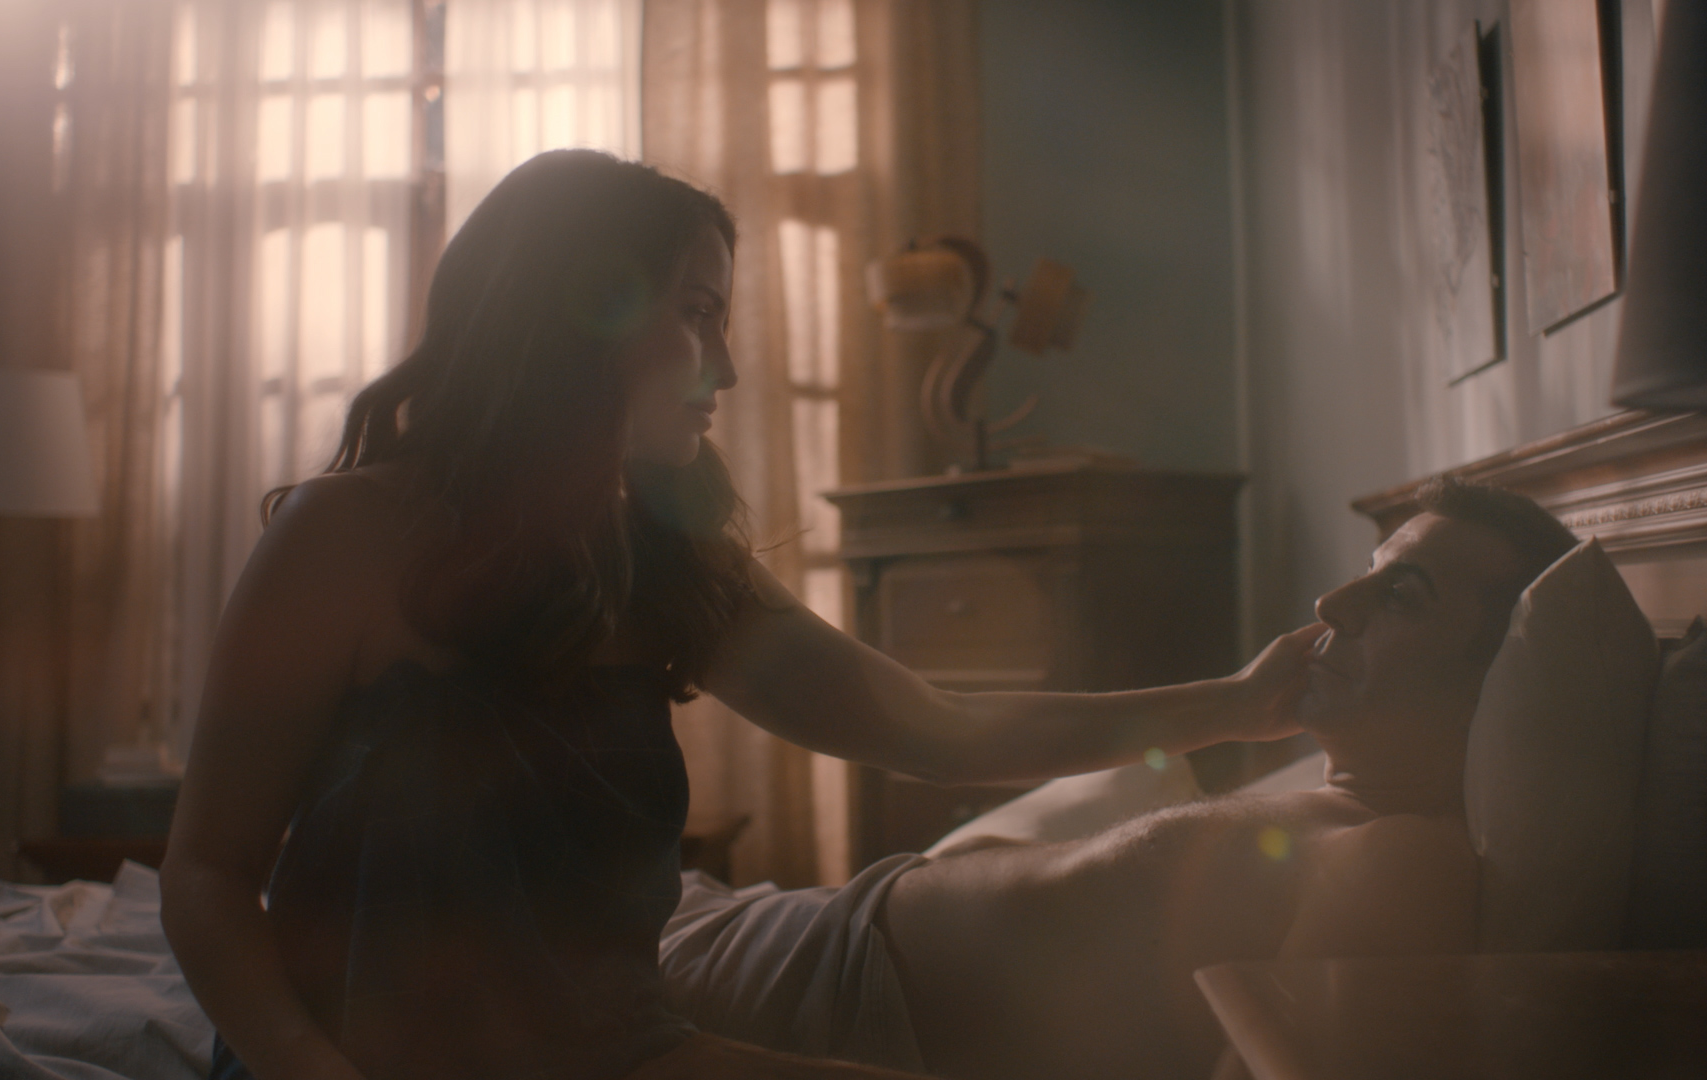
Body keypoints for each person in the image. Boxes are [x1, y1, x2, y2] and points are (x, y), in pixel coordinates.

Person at [158, 149, 1324, 1080]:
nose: (725, 366)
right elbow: (206, 873)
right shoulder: (344, 535)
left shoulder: (666, 566)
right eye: (699, 312)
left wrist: (1239, 704)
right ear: (582, 318)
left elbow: (940, 729)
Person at [657, 479, 1581, 1080]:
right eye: (1366, 575)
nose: (1333, 604)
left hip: (833, 988)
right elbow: (934, 731)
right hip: (812, 931)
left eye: (1402, 595)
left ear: (1492, 679)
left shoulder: (1404, 858)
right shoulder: (1336, 809)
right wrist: (1236, 700)